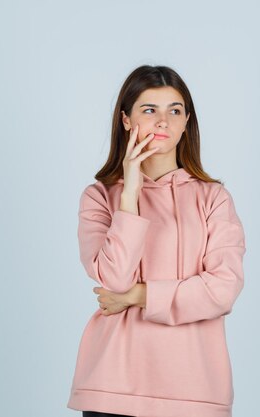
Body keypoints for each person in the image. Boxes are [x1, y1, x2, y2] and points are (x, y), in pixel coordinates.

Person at [66, 65, 246, 417]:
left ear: (185, 122)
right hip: (112, 385)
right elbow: (114, 279)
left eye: (174, 111)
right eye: (150, 110)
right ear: (127, 120)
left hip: (196, 388)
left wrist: (138, 296)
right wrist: (130, 190)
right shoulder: (99, 197)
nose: (163, 121)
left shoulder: (214, 198)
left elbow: (223, 290)